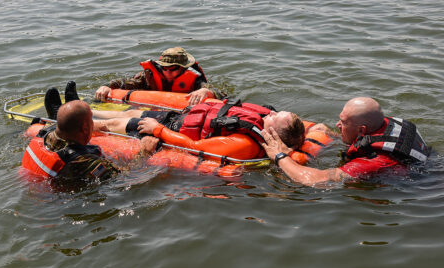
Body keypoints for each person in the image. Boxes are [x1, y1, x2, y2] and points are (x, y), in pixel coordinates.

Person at [261, 97, 430, 186]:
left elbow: (315, 180)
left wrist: (280, 155)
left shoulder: (375, 161)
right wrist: (331, 134)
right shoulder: (386, 123)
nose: (337, 124)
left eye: (343, 123)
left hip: (424, 192)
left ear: (362, 130)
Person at [86, 99, 316, 160]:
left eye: (275, 118)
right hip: (183, 118)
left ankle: (77, 122)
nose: (271, 113)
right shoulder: (263, 117)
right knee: (128, 113)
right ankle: (84, 109)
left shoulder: (245, 144)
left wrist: (158, 130)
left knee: (114, 125)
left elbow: (194, 146)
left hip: (171, 130)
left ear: (273, 134)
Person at [23, 94, 158, 184]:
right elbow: (123, 177)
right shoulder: (87, 162)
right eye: (92, 122)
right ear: (84, 129)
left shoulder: (46, 134)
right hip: (60, 202)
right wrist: (144, 152)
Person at [94, 47, 225, 106]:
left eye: (173, 69)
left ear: (183, 68)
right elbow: (123, 82)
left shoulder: (195, 79)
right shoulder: (149, 76)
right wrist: (106, 86)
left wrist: (206, 91)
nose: (167, 72)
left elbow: (220, 93)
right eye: (164, 68)